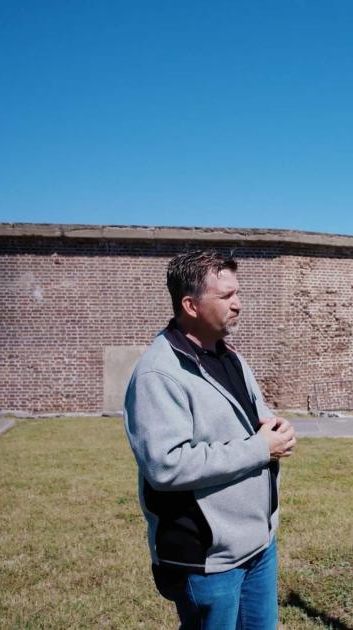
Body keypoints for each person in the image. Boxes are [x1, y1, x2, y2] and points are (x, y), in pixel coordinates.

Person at [124, 250, 297, 629]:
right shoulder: (159, 375)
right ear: (191, 305)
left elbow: (252, 420)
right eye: (226, 296)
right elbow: (165, 466)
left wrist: (274, 429)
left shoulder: (228, 355)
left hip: (258, 544)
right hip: (206, 559)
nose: (238, 304)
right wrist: (259, 448)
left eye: (238, 293)